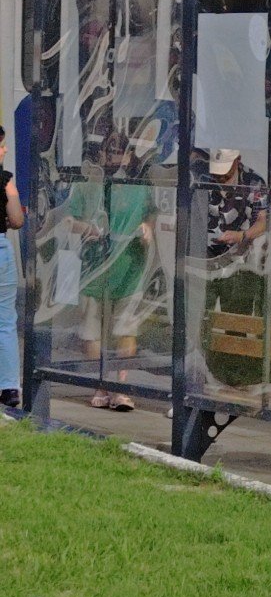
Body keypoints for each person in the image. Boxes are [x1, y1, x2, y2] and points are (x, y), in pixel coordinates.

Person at [67, 132, 152, 411]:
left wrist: (147, 228)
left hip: (129, 269)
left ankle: (121, 387)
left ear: (129, 156)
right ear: (102, 154)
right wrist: (87, 229)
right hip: (94, 272)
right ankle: (101, 383)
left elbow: (151, 215)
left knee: (125, 330)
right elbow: (69, 219)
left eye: (120, 153)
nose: (114, 158)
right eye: (110, 152)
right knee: (92, 334)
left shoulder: (140, 185)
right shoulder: (87, 185)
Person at [203, 148, 270, 258]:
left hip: (241, 254)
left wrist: (242, 236)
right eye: (216, 174)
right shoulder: (203, 178)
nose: (221, 179)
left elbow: (263, 221)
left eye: (226, 174)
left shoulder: (254, 182)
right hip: (205, 251)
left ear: (238, 160)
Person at [0, 125, 23, 409]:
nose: (4, 150)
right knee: (5, 321)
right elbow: (17, 219)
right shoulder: (5, 181)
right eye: (1, 145)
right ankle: (9, 387)